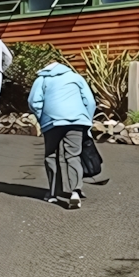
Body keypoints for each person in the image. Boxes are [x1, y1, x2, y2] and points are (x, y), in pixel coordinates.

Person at [27, 60, 96, 209]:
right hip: (77, 121)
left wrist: (42, 117)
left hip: (52, 122)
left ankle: (53, 193)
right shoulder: (76, 77)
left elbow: (33, 102)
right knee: (73, 155)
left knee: (51, 156)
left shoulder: (42, 79)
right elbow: (90, 101)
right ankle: (75, 192)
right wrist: (87, 120)